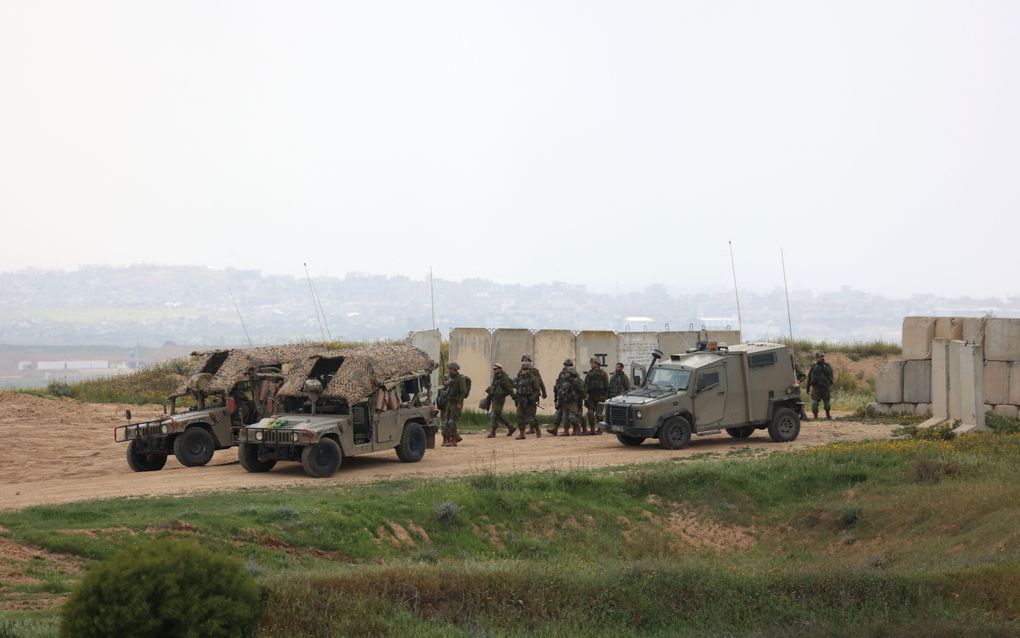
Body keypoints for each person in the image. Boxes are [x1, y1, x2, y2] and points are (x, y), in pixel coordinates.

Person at [549, 359, 585, 436]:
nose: (567, 368)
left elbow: (581, 390)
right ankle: (565, 431)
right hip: (563, 399)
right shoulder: (562, 376)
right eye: (566, 365)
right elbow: (558, 387)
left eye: (569, 366)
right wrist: (557, 399)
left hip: (572, 400)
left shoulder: (576, 379)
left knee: (572, 416)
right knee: (563, 416)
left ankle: (578, 428)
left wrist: (579, 399)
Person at [440, 362, 469, 446]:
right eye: (448, 369)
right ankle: (449, 438)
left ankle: (454, 440)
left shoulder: (460, 378)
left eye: (450, 369)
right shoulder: (448, 378)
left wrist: (459, 403)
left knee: (452, 421)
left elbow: (463, 391)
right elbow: (446, 389)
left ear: (454, 370)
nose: (449, 371)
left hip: (456, 403)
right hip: (449, 402)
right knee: (446, 421)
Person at [485, 363, 516, 438]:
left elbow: (509, 389)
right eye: (494, 369)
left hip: (500, 399)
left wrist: (515, 398)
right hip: (494, 397)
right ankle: (510, 427)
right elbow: (493, 387)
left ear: (500, 369)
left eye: (496, 369)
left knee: (494, 414)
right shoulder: (496, 377)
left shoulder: (504, 378)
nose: (494, 370)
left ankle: (493, 432)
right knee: (498, 415)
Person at [513, 363, 542, 439]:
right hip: (521, 400)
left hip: (530, 401)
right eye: (523, 369)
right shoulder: (519, 379)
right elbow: (517, 389)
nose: (524, 371)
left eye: (526, 369)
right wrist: (517, 398)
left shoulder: (533, 379)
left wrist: (531, 399)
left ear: (529, 370)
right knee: (520, 416)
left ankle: (537, 429)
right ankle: (522, 434)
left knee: (531, 418)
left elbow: (537, 391)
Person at [519, 354, 547, 434]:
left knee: (531, 414)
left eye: (526, 360)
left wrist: (544, 393)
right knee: (521, 414)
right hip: (523, 396)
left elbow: (540, 382)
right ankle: (523, 432)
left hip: (533, 395)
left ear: (530, 361)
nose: (525, 361)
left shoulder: (534, 371)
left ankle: (533, 428)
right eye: (523, 360)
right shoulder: (521, 371)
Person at [583, 358, 609, 435]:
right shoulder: (589, 374)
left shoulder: (603, 373)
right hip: (591, 396)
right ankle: (592, 429)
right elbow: (585, 385)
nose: (591, 365)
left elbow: (606, 386)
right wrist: (585, 395)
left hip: (600, 396)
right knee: (590, 413)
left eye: (593, 363)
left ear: (597, 364)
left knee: (599, 414)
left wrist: (605, 397)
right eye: (591, 363)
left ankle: (600, 429)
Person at [806, 351, 835, 420]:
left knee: (827, 403)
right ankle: (815, 417)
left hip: (825, 387)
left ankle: (828, 415)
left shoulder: (827, 365)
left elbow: (830, 374)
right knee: (814, 404)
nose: (817, 359)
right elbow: (809, 377)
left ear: (822, 357)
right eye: (816, 357)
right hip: (816, 388)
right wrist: (808, 387)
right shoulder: (814, 367)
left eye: (819, 357)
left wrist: (822, 366)